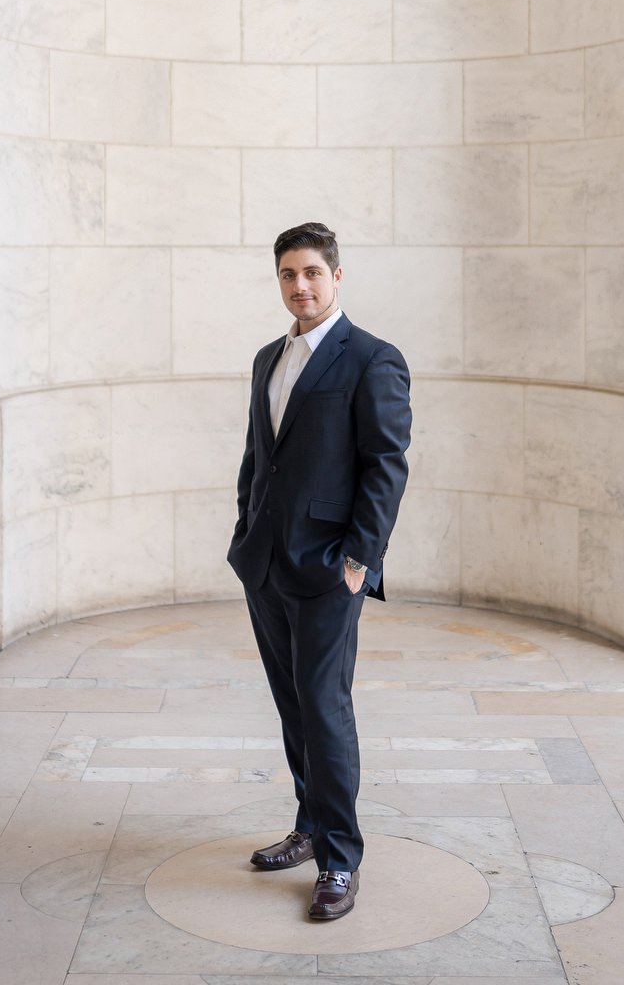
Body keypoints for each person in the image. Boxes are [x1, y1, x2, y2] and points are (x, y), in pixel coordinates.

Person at [226, 222, 412, 922]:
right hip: (266, 565)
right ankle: (309, 826)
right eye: (287, 274)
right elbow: (259, 458)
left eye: (311, 272)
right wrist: (245, 534)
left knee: (324, 708)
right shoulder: (266, 359)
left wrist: (360, 560)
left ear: (336, 276)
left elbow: (385, 465)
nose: (299, 285)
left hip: (332, 568)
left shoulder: (372, 358)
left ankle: (339, 858)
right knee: (292, 704)